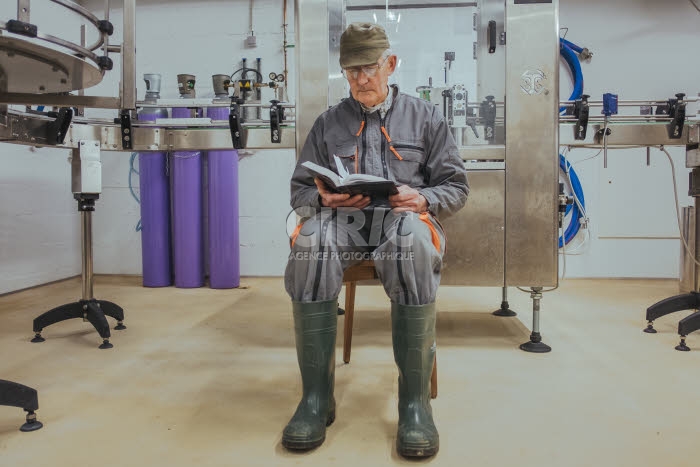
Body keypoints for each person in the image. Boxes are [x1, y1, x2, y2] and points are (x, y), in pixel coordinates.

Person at [282, 22, 469, 458]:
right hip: (345, 224)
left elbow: (456, 187)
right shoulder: (329, 122)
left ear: (390, 64)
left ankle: (414, 406)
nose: (360, 80)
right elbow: (299, 192)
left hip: (401, 221)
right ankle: (315, 400)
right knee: (310, 242)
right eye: (350, 72)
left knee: (410, 242)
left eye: (368, 69)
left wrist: (422, 197)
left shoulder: (426, 117)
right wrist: (324, 197)